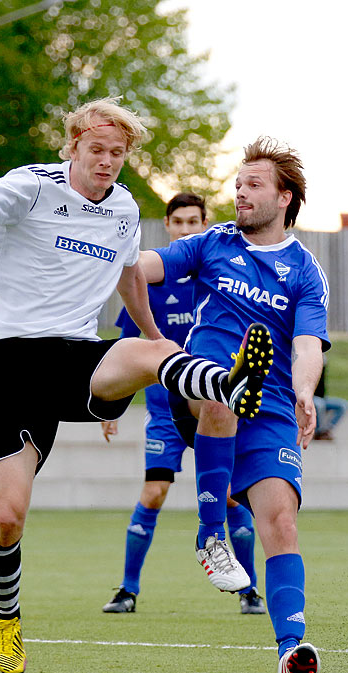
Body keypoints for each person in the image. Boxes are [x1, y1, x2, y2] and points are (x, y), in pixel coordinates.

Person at [0, 97, 270, 673]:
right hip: (10, 367)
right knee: (8, 518)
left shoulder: (121, 207)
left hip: (75, 359)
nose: (108, 162)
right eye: (97, 149)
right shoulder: (31, 188)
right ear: (70, 147)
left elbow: (128, 279)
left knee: (159, 351)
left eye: (118, 153)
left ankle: (223, 384)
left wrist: (153, 344)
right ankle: (7, 621)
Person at [141, 136, 329, 673]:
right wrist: (118, 258)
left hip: (269, 406)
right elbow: (148, 264)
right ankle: (210, 534)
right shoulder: (211, 242)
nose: (240, 195)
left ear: (285, 197)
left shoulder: (304, 271)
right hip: (199, 386)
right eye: (237, 185)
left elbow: (308, 345)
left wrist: (304, 392)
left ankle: (290, 652)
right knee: (222, 390)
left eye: (253, 186)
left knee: (282, 524)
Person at [101, 193, 265, 616]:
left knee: (229, 495)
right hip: (162, 413)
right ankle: (127, 588)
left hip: (214, 406)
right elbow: (128, 347)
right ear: (168, 226)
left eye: (195, 221)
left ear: (206, 223)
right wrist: (111, 403)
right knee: (154, 493)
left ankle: (248, 588)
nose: (187, 228)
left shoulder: (221, 279)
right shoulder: (150, 281)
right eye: (179, 221)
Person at [313, 358, 348, 440]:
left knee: (343, 405)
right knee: (319, 404)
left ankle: (326, 430)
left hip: (322, 398)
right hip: (309, 398)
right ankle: (318, 432)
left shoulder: (323, 364)